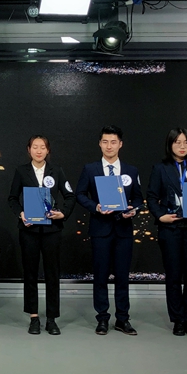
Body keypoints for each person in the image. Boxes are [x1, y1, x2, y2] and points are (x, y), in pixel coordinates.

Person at [75, 125, 143, 336]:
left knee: (122, 276)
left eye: (113, 142)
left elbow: (138, 198)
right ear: (99, 144)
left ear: (120, 144)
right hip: (100, 229)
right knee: (101, 276)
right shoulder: (90, 169)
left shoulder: (131, 171)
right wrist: (95, 207)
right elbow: (80, 194)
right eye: (105, 142)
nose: (109, 146)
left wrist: (134, 210)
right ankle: (102, 318)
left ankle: (123, 319)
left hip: (123, 229)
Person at [146, 128, 187, 337]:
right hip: (171, 228)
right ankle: (177, 319)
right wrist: (160, 216)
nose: (182, 146)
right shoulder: (160, 168)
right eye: (177, 142)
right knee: (173, 275)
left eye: (186, 142)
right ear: (170, 145)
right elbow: (151, 196)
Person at [7, 135, 76, 335]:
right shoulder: (21, 171)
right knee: (30, 273)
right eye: (35, 147)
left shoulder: (57, 170)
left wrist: (63, 213)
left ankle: (51, 318)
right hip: (29, 230)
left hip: (52, 230)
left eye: (42, 147)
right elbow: (12, 198)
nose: (39, 151)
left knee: (52, 274)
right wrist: (21, 214)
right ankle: (34, 317)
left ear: (48, 150)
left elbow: (70, 195)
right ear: (29, 149)